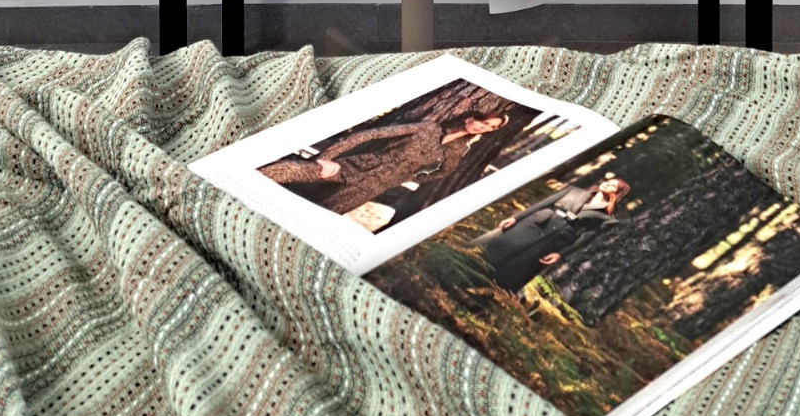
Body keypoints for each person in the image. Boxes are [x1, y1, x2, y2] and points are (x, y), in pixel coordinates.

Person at [260, 110, 508, 218]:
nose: (483, 127)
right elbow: (371, 135)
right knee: (286, 170)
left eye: (489, 128)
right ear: (471, 117)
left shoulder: (457, 151)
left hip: (372, 187)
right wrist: (327, 157)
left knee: (318, 217)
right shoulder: (429, 128)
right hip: (355, 166)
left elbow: (443, 173)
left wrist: (407, 178)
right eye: (483, 121)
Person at [472, 176, 630, 291]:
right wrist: (515, 218)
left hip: (554, 242)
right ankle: (467, 265)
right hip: (533, 224)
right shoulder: (574, 191)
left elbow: (586, 238)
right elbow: (542, 204)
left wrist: (561, 255)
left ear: (617, 194)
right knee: (496, 246)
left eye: (612, 186)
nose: (607, 184)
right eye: (608, 182)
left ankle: (482, 293)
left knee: (518, 267)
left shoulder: (605, 218)